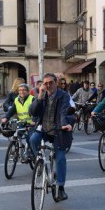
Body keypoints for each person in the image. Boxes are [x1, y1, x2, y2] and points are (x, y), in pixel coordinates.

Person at [29, 73, 74, 202]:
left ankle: (60, 187)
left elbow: (63, 112)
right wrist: (39, 97)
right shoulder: (41, 95)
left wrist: (65, 124)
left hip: (58, 131)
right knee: (33, 140)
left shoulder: (63, 96)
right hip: (44, 129)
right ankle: (38, 161)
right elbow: (32, 112)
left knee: (60, 158)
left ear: (56, 83)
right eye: (46, 83)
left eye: (51, 83)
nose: (48, 85)